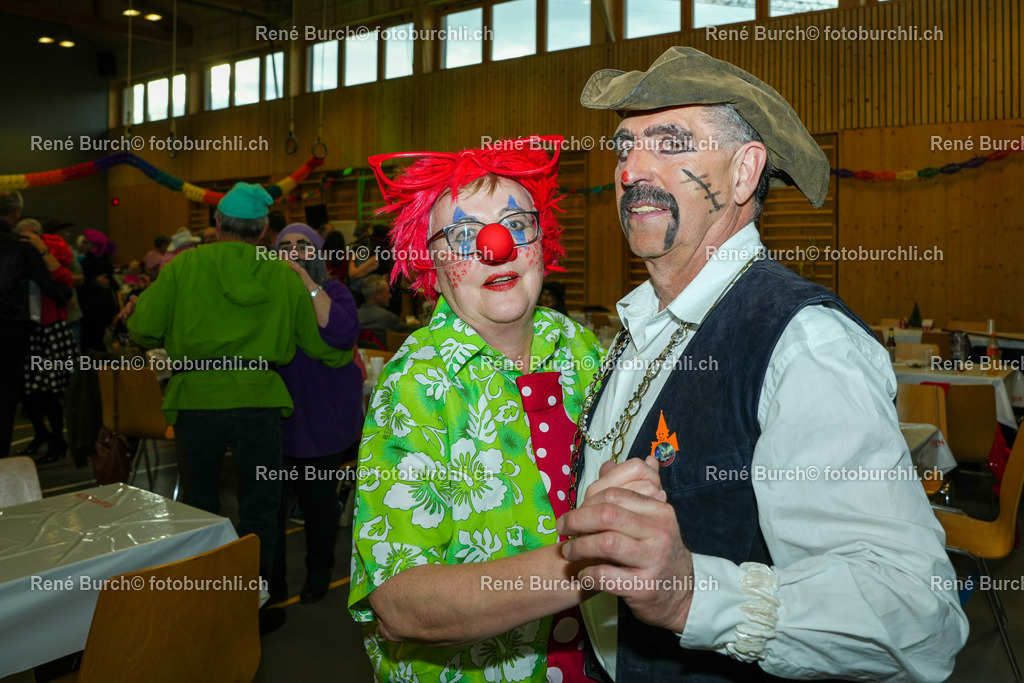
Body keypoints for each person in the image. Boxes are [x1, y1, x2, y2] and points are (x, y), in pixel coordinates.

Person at [555, 47, 969, 681]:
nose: (632, 168)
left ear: (745, 173)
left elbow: (917, 613)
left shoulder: (805, 344)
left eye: (670, 142)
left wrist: (694, 595)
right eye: (623, 147)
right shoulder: (640, 326)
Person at [348, 137, 609, 682]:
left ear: (543, 241)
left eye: (517, 223)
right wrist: (596, 569)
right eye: (464, 235)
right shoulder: (417, 382)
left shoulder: (582, 349)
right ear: (431, 262)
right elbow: (398, 603)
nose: (498, 245)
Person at [125, 183, 352, 635]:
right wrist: (341, 356)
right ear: (265, 230)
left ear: (215, 225)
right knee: (261, 507)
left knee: (201, 504)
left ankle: (206, 599)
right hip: (259, 402)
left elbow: (144, 329)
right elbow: (318, 344)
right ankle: (256, 604)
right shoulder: (282, 275)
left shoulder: (183, 265)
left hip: (196, 400)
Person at [270, 223, 362, 604]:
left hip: (322, 420)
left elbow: (341, 332)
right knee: (272, 507)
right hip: (278, 418)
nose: (293, 250)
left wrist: (306, 281)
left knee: (317, 505)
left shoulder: (335, 291)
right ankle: (272, 587)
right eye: (285, 245)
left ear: (318, 254)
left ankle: (318, 571)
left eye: (303, 245)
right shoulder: (270, 295)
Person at [1, 191, 70, 457]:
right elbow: (53, 285)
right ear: (16, 213)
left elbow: (59, 278)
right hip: (16, 328)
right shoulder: (20, 245)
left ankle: (50, 438)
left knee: (38, 388)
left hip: (38, 327)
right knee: (15, 392)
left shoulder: (39, 247)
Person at [17, 230, 76, 463]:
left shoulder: (53, 255)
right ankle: (42, 434)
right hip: (31, 330)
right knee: (28, 390)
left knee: (48, 391)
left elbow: (63, 278)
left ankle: (58, 441)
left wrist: (40, 248)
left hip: (51, 329)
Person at [76, 229, 118, 352]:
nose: (82, 245)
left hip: (93, 308)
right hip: (100, 307)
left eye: (85, 243)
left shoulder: (92, 261)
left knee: (91, 343)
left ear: (93, 246)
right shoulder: (103, 260)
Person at [356, 274, 418, 349]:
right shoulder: (387, 317)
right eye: (387, 292)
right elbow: (411, 331)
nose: (390, 296)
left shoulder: (354, 316)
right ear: (377, 294)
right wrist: (417, 324)